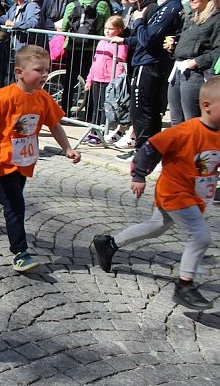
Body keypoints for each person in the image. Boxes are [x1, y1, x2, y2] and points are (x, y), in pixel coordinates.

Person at [92, 77, 220, 311]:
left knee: (156, 226)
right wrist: (139, 175)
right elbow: (151, 147)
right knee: (200, 235)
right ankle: (185, 285)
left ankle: (109, 244)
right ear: (207, 105)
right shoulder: (185, 131)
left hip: (192, 195)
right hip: (174, 192)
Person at [0, 45, 81, 272]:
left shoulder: (43, 98)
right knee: (16, 207)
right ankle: (20, 253)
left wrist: (67, 148)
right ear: (19, 72)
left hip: (25, 160)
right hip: (2, 158)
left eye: (47, 70)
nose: (44, 75)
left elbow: (54, 124)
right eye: (38, 70)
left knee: (8, 200)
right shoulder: (4, 96)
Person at [112, 0, 184, 162]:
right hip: (146, 62)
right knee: (144, 110)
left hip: (150, 65)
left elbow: (148, 38)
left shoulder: (170, 8)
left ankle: (143, 152)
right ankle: (146, 151)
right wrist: (128, 38)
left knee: (143, 111)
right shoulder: (164, 6)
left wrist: (138, 21)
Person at [167, 0, 220, 126]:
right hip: (178, 71)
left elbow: (217, 50)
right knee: (176, 121)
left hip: (195, 75)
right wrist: (174, 46)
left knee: (192, 121)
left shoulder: (216, 20)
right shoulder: (190, 18)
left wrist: (196, 62)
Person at [82, 15, 128, 143]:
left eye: (111, 29)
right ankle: (94, 131)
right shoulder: (101, 41)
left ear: (119, 30)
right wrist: (89, 79)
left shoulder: (120, 45)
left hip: (109, 80)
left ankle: (101, 132)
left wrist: (115, 81)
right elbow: (94, 62)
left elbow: (120, 63)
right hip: (97, 78)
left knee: (104, 108)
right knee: (96, 107)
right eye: (106, 28)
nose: (107, 31)